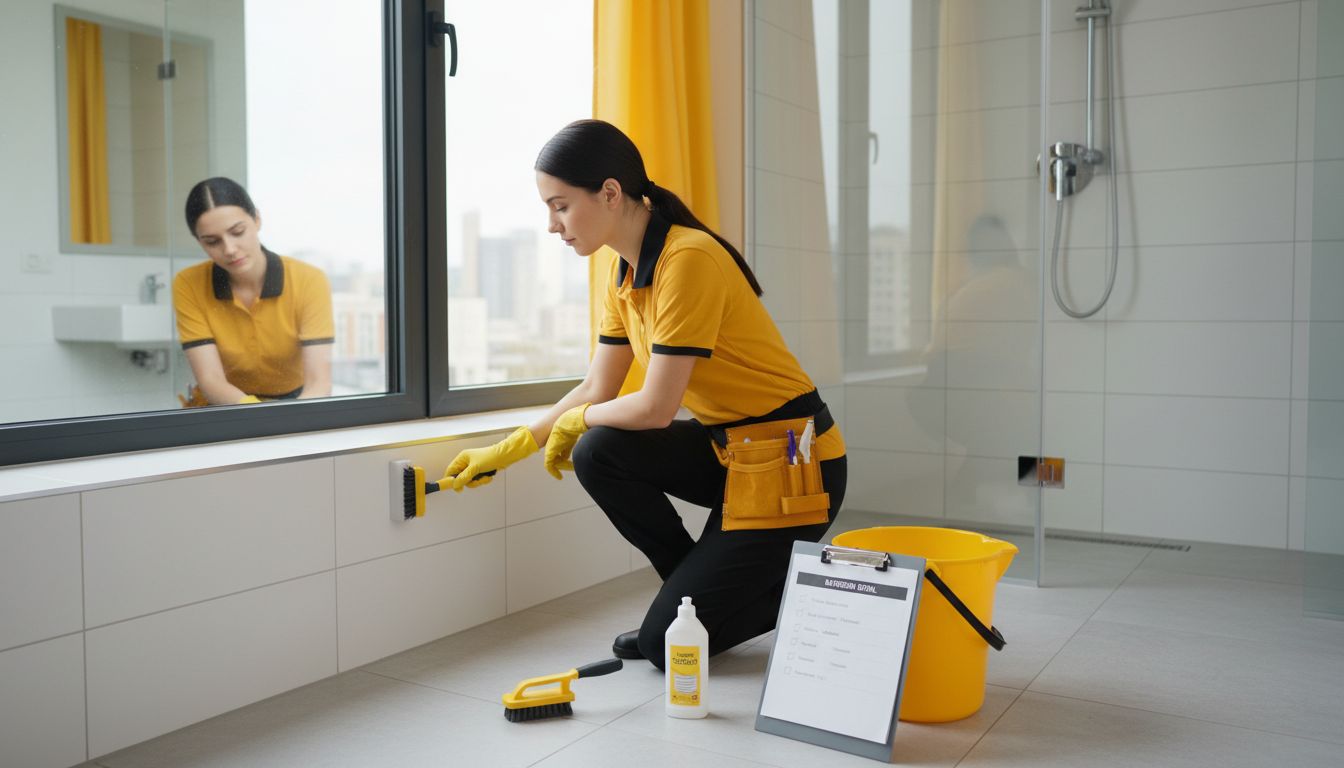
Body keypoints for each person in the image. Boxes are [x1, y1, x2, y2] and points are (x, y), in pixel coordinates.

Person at [443, 120, 847, 668]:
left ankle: (795, 595)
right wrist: (516, 445)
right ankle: (690, 602)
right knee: (598, 449)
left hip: (794, 465)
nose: (551, 225)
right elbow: (597, 387)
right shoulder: (625, 272)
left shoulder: (688, 260)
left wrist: (577, 421)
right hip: (731, 456)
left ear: (609, 193)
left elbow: (656, 408)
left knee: (663, 647)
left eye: (560, 206)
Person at [173, 177, 334, 405]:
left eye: (237, 232)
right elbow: (211, 380)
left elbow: (319, 384)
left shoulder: (308, 280)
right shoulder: (188, 283)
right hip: (224, 404)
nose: (229, 249)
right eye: (212, 241)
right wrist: (255, 414)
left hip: (295, 403)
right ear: (199, 242)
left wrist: (289, 419)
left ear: (257, 219)